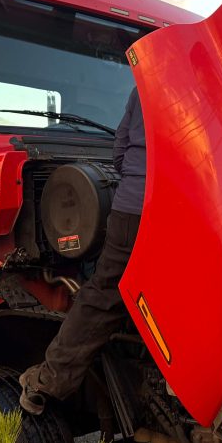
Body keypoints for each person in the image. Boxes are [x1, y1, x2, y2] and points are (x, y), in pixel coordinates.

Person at [19, 87, 146, 415]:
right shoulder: (204, 72)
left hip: (135, 202)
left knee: (104, 294)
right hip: (185, 203)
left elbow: (119, 151)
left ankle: (49, 381)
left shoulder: (148, 78)